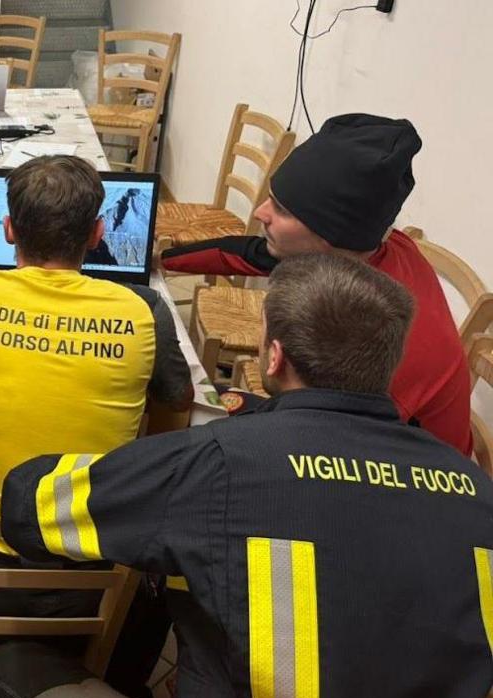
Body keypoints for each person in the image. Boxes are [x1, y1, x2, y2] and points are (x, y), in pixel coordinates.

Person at [0, 253, 493, 698]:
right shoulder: (475, 488)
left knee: (12, 667)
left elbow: (27, 508)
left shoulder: (222, 462)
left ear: (273, 357)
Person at [0, 154, 191, 621]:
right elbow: (178, 402)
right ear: (98, 234)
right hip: (96, 589)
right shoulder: (143, 309)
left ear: (8, 229)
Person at [161, 113, 471, 454]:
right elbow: (252, 253)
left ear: (329, 238)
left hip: (408, 467)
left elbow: (325, 443)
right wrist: (161, 258)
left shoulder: (383, 338)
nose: (261, 213)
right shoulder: (361, 246)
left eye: (281, 210)